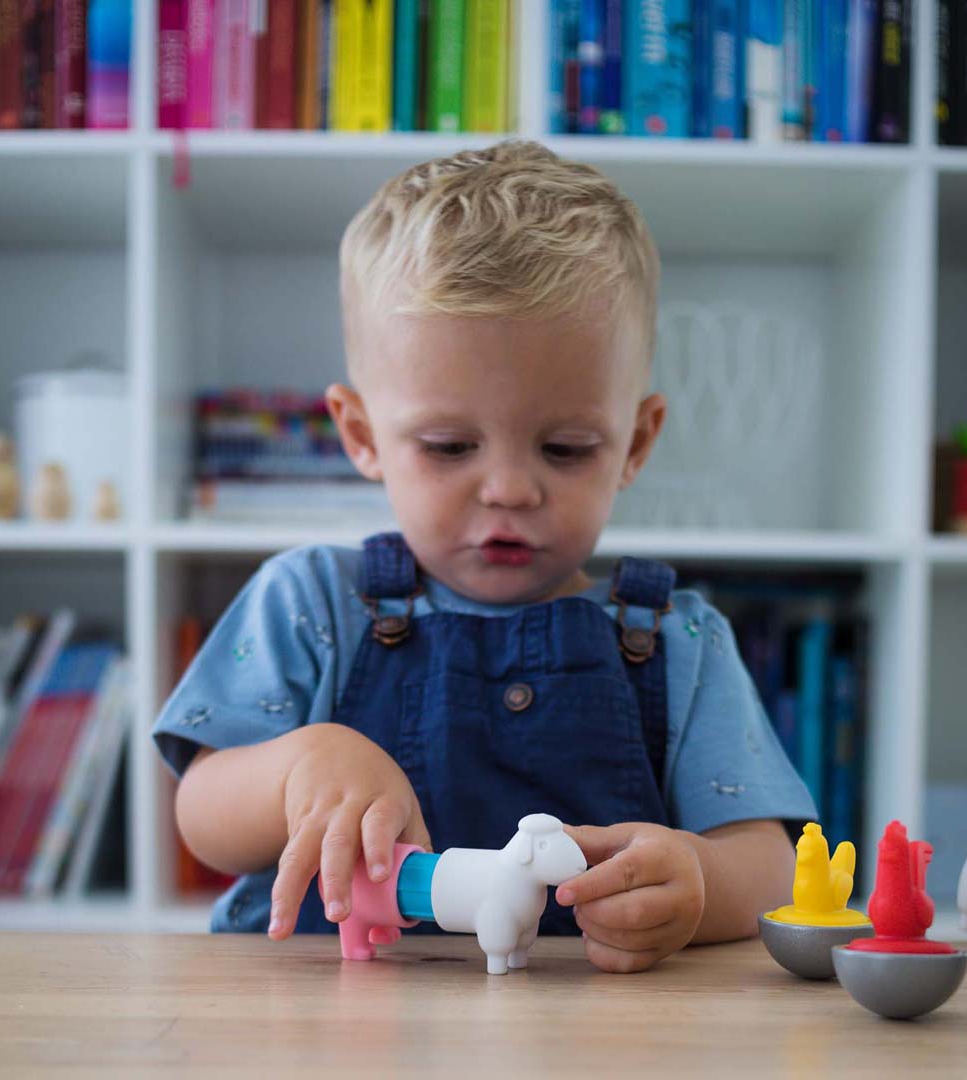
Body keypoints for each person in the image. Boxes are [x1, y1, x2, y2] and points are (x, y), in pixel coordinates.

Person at [152, 140, 816, 973]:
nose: (508, 489)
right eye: (449, 444)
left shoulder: (680, 642)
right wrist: (302, 766)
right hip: (323, 1032)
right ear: (360, 435)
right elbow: (201, 813)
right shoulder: (313, 602)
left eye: (566, 448)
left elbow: (771, 865)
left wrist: (700, 879)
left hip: (586, 1044)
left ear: (636, 441)